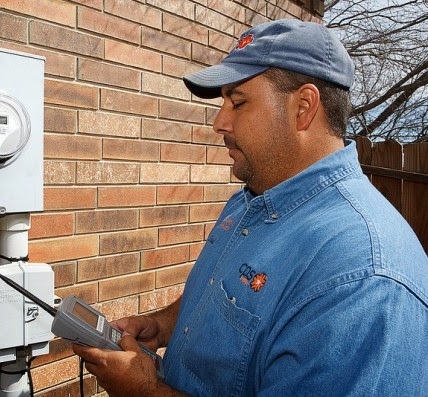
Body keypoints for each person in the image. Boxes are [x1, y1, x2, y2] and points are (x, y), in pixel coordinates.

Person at [72, 19, 428, 396]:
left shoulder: (361, 278)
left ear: (303, 107)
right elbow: (231, 301)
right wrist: (162, 325)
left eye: (238, 102)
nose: (218, 121)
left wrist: (142, 391)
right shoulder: (253, 197)